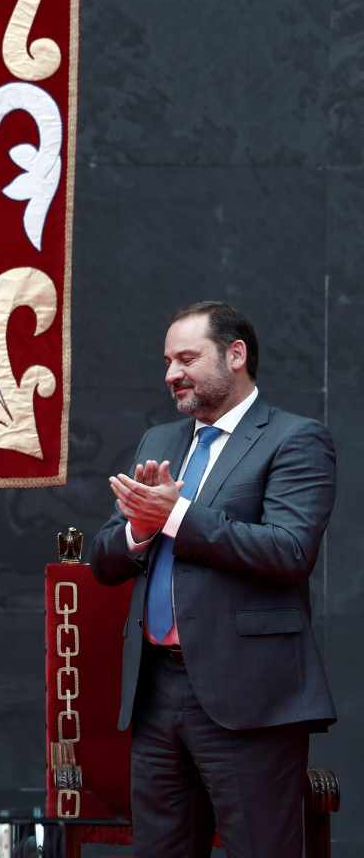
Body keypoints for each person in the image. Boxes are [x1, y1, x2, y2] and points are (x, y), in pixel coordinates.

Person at [89, 301, 336, 857]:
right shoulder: (159, 442)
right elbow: (106, 558)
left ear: (236, 355)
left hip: (250, 696)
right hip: (157, 693)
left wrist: (174, 516)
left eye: (186, 358)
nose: (171, 373)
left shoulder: (295, 440)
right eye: (167, 361)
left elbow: (290, 550)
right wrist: (140, 531)